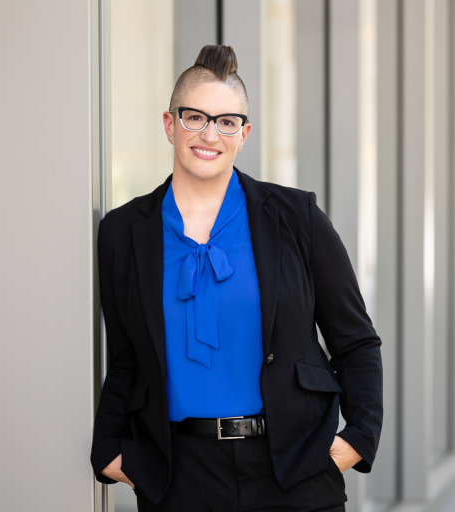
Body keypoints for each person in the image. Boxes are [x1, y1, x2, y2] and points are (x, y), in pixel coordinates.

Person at [90, 45, 383, 512]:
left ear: (243, 135)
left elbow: (356, 341)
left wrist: (359, 438)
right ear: (170, 124)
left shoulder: (296, 217)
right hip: (179, 476)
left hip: (292, 468)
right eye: (195, 117)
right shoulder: (123, 233)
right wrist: (106, 447)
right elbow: (125, 357)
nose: (210, 133)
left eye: (227, 121)